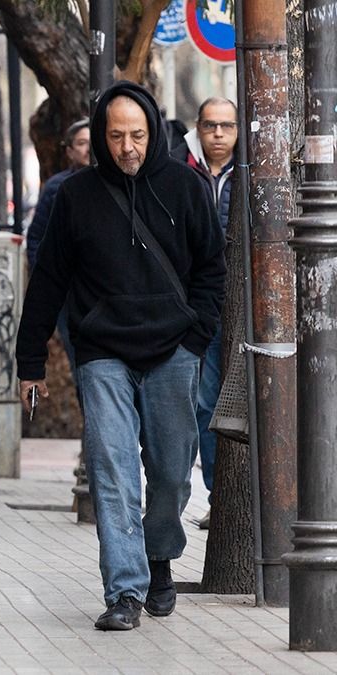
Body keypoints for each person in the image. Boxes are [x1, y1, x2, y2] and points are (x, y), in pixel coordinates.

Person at [16, 81, 225, 631]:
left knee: (173, 474)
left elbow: (212, 271)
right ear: (100, 136)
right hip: (102, 350)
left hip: (174, 350)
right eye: (115, 136)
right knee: (112, 469)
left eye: (136, 134)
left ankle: (160, 559)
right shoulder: (76, 197)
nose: (127, 147)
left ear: (153, 130)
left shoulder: (185, 186)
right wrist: (29, 361)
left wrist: (196, 339)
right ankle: (125, 591)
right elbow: (49, 281)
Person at [173, 97, 237, 530]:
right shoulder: (179, 166)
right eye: (211, 125)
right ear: (199, 127)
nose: (218, 134)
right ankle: (213, 495)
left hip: (245, 303)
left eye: (226, 126)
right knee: (203, 401)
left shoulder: (254, 167)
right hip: (196, 304)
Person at [25, 118, 92, 371]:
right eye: (81, 143)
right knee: (82, 365)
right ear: (69, 150)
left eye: (91, 143)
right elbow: (36, 239)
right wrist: (48, 284)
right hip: (70, 294)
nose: (87, 149)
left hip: (106, 291)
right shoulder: (58, 188)